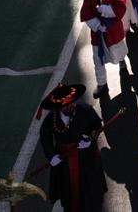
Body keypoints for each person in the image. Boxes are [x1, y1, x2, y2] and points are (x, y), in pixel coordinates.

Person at [37, 84, 107, 212]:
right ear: (58, 107)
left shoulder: (85, 110)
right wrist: (51, 155)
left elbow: (97, 126)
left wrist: (91, 139)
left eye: (72, 103)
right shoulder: (51, 119)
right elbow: (45, 137)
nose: (70, 106)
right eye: (66, 105)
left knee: (89, 189)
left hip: (86, 159)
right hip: (64, 162)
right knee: (68, 189)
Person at [80, 0, 129, 99]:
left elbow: (121, 9)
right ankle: (102, 83)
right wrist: (96, 25)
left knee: (118, 50)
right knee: (97, 59)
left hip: (113, 31)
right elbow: (85, 13)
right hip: (98, 34)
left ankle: (122, 61)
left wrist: (106, 10)